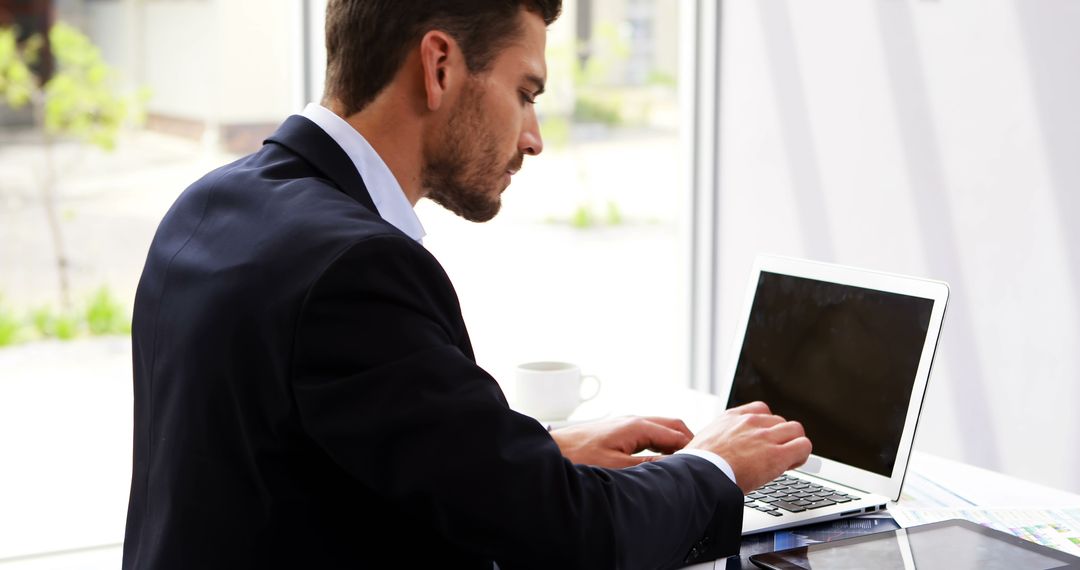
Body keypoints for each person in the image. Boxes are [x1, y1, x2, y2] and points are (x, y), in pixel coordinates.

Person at [121, 1, 812, 568]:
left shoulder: (211, 204)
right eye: (524, 93)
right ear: (441, 65)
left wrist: (540, 450)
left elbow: (303, 461)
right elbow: (570, 537)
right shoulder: (354, 269)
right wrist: (715, 466)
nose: (534, 136)